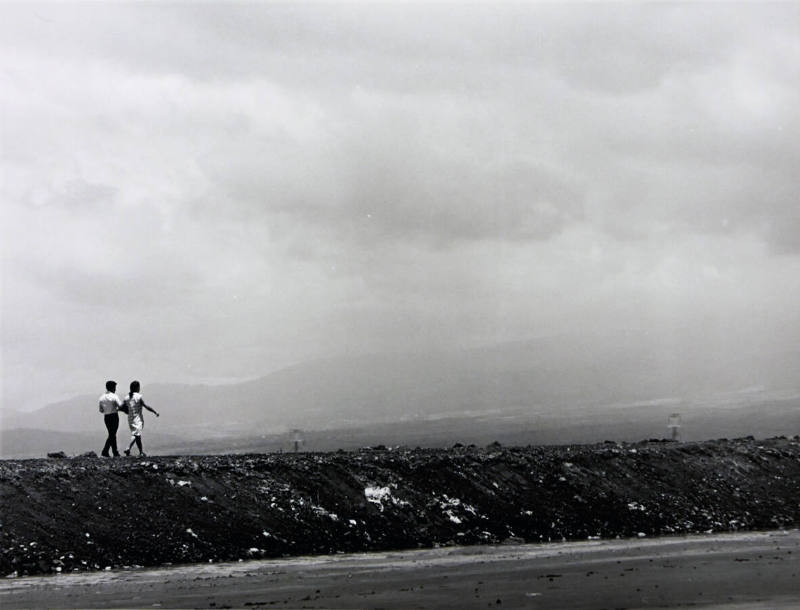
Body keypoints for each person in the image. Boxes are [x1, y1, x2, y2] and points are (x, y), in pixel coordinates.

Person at [123, 380, 160, 456]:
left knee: (135, 434)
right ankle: (141, 452)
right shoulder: (138, 397)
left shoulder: (126, 398)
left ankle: (128, 448)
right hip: (138, 419)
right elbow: (146, 406)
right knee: (138, 435)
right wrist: (155, 412)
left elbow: (124, 408)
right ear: (137, 388)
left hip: (130, 418)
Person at [98, 380, 122, 457]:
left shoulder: (101, 398)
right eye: (115, 387)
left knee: (112, 434)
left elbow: (101, 410)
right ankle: (105, 451)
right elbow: (120, 406)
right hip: (114, 416)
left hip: (106, 417)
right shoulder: (114, 396)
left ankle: (115, 452)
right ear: (112, 388)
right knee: (112, 434)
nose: (115, 389)